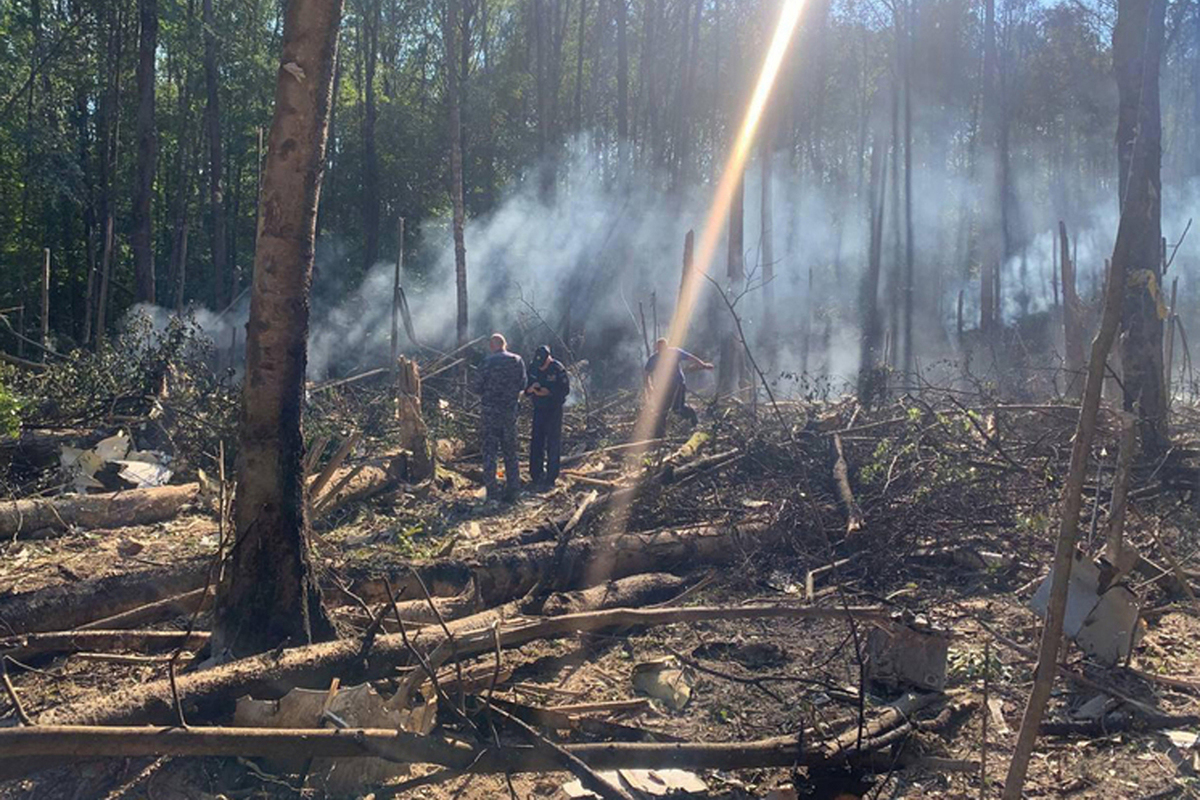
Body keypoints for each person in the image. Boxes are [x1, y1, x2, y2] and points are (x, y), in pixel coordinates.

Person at [470, 333, 527, 502]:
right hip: (509, 412)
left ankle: (492, 492)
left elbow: (477, 387)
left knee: (490, 452)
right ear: (505, 344)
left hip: (490, 413)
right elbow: (523, 384)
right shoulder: (517, 360)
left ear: (492, 346)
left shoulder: (486, 362)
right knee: (510, 451)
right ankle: (514, 491)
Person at [644, 338, 713, 435]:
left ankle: (694, 420)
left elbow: (690, 357)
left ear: (666, 347)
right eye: (659, 348)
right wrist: (649, 386)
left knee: (677, 408)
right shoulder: (654, 359)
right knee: (662, 409)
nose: (661, 350)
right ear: (657, 349)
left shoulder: (674, 352)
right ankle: (659, 434)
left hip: (678, 383)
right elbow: (646, 373)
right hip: (664, 387)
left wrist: (703, 365)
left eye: (663, 348)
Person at [525, 344, 570, 489]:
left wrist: (549, 392)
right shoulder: (533, 367)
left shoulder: (558, 369)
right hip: (538, 409)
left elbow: (565, 390)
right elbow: (525, 388)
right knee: (537, 441)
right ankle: (536, 474)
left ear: (549, 359)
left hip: (554, 410)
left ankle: (551, 477)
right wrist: (531, 389)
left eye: (543, 364)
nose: (541, 367)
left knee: (553, 443)